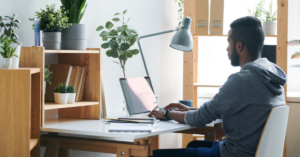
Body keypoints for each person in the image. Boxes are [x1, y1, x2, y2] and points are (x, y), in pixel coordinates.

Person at [148, 16, 287, 157]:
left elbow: (198, 119)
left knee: (158, 155)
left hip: (233, 153)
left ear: (239, 45)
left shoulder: (242, 80)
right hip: (250, 151)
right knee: (193, 145)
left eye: (229, 42)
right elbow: (231, 111)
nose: (227, 48)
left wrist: (166, 113)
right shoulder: (273, 78)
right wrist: (190, 109)